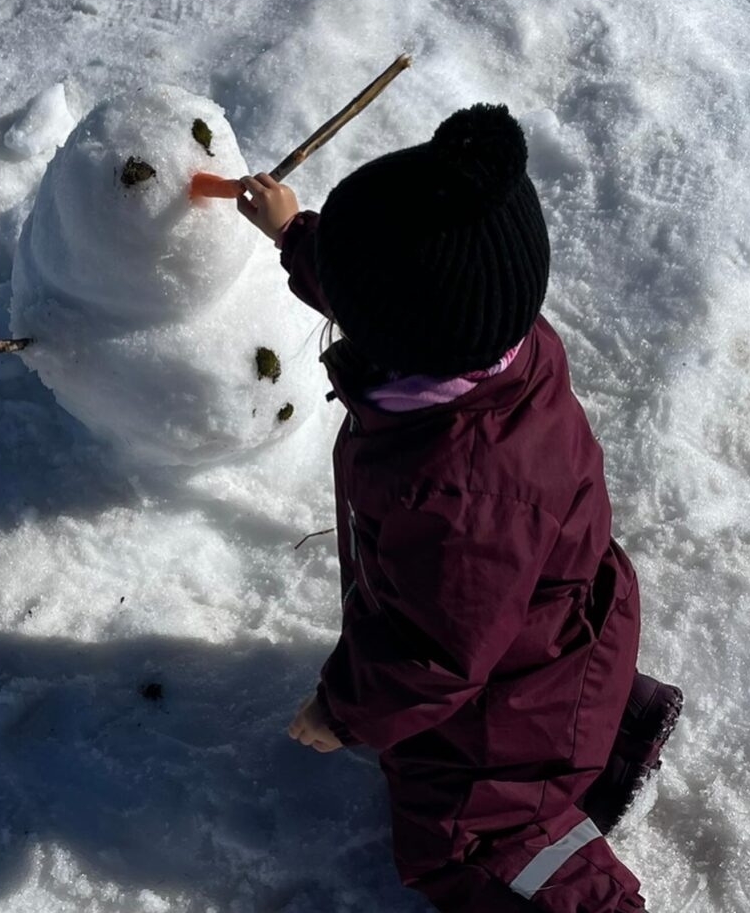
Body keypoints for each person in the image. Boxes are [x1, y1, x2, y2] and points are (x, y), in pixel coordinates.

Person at [236, 103, 683, 913]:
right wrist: (294, 234)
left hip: (512, 703)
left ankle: (577, 859)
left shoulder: (459, 498)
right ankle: (609, 733)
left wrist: (343, 712)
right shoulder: (497, 340)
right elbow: (387, 293)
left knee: (455, 836)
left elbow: (431, 655)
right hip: (551, 629)